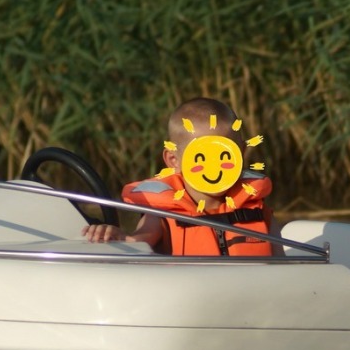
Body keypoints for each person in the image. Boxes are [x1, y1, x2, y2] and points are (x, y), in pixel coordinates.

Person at [83, 97, 278, 255]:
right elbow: (136, 242)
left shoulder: (257, 209)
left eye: (224, 156)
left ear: (241, 153)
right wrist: (113, 235)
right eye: (201, 158)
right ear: (174, 160)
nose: (214, 167)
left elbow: (282, 265)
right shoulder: (161, 214)